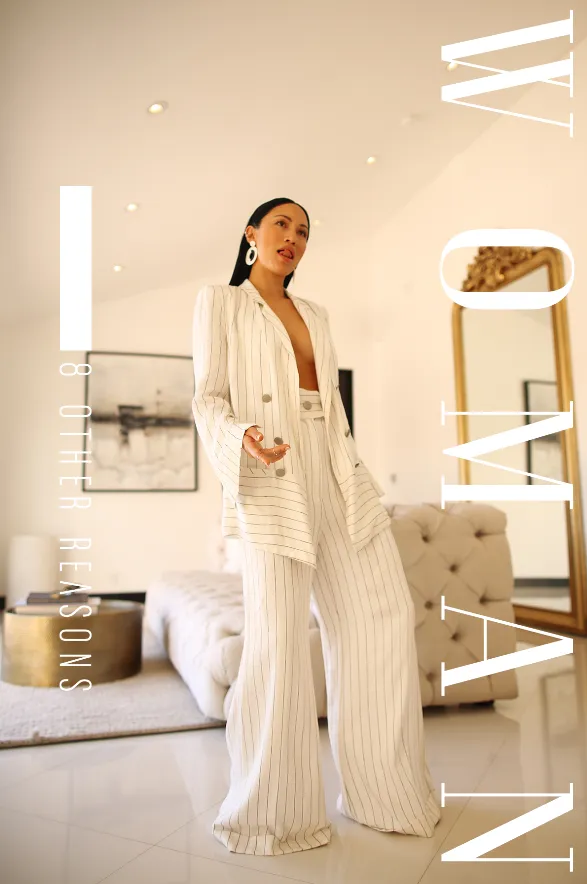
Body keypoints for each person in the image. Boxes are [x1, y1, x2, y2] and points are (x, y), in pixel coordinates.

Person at [191, 197, 441, 856]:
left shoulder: (317, 315)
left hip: (334, 467)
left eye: (303, 231)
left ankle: (386, 794)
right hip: (269, 468)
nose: (293, 237)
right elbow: (207, 397)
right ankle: (272, 814)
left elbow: (329, 407)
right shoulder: (220, 303)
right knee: (275, 638)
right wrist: (242, 436)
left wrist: (351, 468)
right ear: (251, 233)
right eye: (282, 224)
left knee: (382, 611)